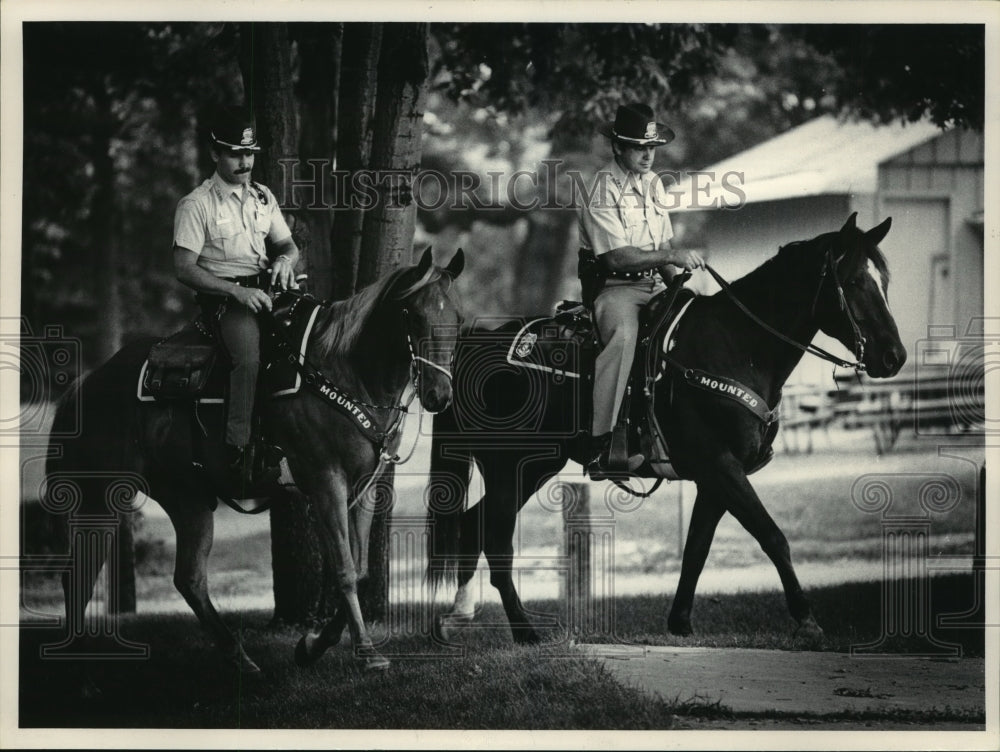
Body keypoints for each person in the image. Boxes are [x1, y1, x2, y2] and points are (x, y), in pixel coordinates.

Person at [173, 106, 300, 491]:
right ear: (215, 154)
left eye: (249, 153)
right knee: (247, 359)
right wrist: (236, 291)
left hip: (268, 292)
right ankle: (238, 452)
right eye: (235, 153)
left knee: (315, 340)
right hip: (226, 300)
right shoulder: (198, 204)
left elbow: (289, 245)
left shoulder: (262, 196)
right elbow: (183, 268)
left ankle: (303, 442)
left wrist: (283, 261)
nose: (245, 162)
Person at [577, 102, 706, 478]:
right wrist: (672, 255)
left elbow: (662, 251)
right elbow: (616, 259)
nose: (648, 155)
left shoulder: (651, 185)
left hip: (652, 283)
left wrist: (681, 288)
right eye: (638, 147)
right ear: (617, 147)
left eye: (651, 147)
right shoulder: (600, 189)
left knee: (695, 324)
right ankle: (600, 447)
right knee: (624, 336)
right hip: (614, 289)